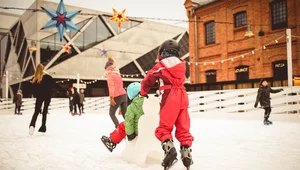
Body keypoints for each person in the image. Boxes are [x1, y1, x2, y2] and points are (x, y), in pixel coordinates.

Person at [140, 39, 194, 169]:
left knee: (165, 127)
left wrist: (143, 92)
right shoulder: (182, 64)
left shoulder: (161, 65)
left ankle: (169, 150)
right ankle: (186, 152)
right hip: (183, 95)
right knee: (183, 127)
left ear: (161, 53)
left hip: (169, 96)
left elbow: (148, 79)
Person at [101, 82, 146, 152]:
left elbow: (128, 122)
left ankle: (112, 141)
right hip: (150, 129)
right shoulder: (148, 102)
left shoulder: (132, 107)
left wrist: (130, 134)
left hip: (139, 131)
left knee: (123, 125)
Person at [29, 64, 54, 135]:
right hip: (47, 96)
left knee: (36, 112)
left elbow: (31, 90)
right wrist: (65, 91)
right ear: (43, 69)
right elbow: (54, 85)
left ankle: (32, 125)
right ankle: (43, 127)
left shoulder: (34, 78)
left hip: (39, 97)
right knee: (44, 112)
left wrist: (36, 94)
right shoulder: (48, 77)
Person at [105, 56, 128, 128]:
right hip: (124, 95)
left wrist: (111, 97)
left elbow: (111, 86)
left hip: (116, 96)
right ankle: (131, 129)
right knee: (125, 114)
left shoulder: (109, 74)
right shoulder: (118, 74)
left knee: (111, 114)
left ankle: (118, 129)